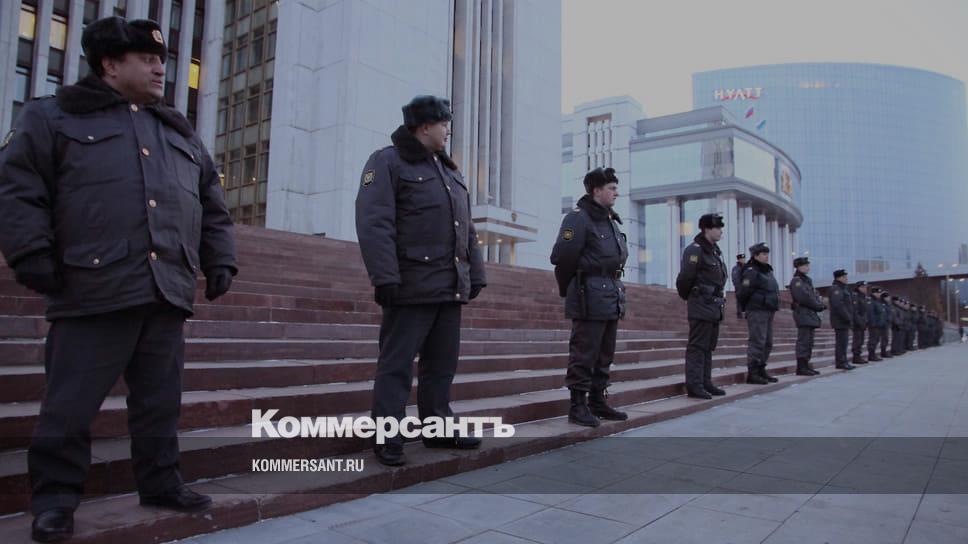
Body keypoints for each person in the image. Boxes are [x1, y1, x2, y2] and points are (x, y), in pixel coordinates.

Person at [0, 17, 237, 542]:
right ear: (110, 64)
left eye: (161, 60)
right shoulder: (52, 115)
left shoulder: (178, 130)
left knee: (159, 403)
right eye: (146, 59)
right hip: (92, 287)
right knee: (70, 405)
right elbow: (17, 187)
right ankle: (55, 502)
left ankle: (161, 482)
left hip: (165, 287)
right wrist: (30, 252)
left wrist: (219, 259)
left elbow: (212, 204)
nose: (159, 69)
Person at [355, 95, 486, 466]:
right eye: (444, 124)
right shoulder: (387, 162)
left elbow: (466, 228)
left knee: (441, 366)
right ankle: (387, 435)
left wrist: (476, 273)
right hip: (409, 284)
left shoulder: (449, 171)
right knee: (396, 365)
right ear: (424, 126)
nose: (448, 131)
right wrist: (384, 276)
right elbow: (374, 221)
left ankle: (438, 427)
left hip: (449, 285)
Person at [552, 167, 630, 424]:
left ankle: (597, 401)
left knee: (604, 354)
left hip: (611, 294)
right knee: (584, 353)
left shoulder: (610, 220)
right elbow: (563, 257)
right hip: (589, 295)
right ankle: (577, 406)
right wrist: (573, 289)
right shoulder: (578, 218)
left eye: (616, 188)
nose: (616, 193)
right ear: (597, 190)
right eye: (612, 188)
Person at [675, 213, 728, 399]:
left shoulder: (714, 251)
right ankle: (695, 385)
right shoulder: (695, 250)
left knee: (708, 347)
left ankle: (705, 382)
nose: (721, 231)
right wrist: (692, 297)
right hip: (701, 305)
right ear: (706, 229)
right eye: (717, 227)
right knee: (698, 347)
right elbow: (685, 278)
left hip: (713, 306)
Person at [737, 242, 780, 384]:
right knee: (758, 341)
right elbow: (744, 291)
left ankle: (761, 369)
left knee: (768, 342)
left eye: (767, 254)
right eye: (763, 254)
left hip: (768, 308)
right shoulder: (751, 270)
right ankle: (753, 372)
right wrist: (747, 307)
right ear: (755, 256)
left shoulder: (766, 270)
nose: (767, 256)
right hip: (757, 309)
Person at [789, 257, 824, 375]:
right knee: (803, 341)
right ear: (798, 267)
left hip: (809, 313)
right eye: (805, 265)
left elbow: (814, 295)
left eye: (808, 265)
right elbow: (804, 297)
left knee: (809, 342)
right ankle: (801, 367)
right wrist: (818, 306)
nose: (808, 267)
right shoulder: (797, 280)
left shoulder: (807, 280)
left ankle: (806, 365)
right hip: (803, 313)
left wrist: (819, 303)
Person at [829, 270, 855, 370]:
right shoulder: (836, 288)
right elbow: (838, 304)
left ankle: (843, 361)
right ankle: (841, 362)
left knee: (844, 342)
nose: (846, 278)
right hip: (840, 320)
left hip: (843, 320)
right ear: (838, 278)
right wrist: (847, 317)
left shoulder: (843, 288)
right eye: (844, 277)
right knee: (841, 343)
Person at [850, 281, 870, 364]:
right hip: (857, 323)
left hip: (862, 323)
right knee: (857, 341)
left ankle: (858, 356)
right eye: (864, 287)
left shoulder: (863, 297)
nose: (866, 289)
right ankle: (856, 357)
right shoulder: (855, 296)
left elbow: (865, 311)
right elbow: (855, 311)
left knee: (861, 340)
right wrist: (860, 322)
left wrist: (865, 321)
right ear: (859, 288)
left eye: (866, 287)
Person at [866, 287, 885, 361]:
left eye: (880, 293)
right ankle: (871, 355)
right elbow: (870, 313)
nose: (879, 294)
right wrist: (873, 323)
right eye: (878, 293)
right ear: (874, 293)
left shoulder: (877, 301)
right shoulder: (871, 301)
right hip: (874, 325)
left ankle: (873, 354)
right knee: (872, 340)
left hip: (879, 324)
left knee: (876, 340)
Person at [731, 253, 746, 319]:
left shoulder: (746, 267)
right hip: (739, 287)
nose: (743, 260)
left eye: (744, 258)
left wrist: (746, 286)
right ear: (738, 259)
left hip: (746, 287)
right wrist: (739, 287)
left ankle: (746, 314)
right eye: (742, 259)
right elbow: (735, 279)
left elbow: (747, 277)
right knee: (739, 301)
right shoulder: (736, 268)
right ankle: (739, 314)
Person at [879, 291, 893, 358]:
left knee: (886, 339)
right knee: (883, 339)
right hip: (883, 323)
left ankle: (884, 351)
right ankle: (883, 352)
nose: (889, 298)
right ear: (884, 297)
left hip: (887, 324)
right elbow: (883, 314)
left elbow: (890, 313)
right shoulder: (882, 304)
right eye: (887, 297)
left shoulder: (888, 304)